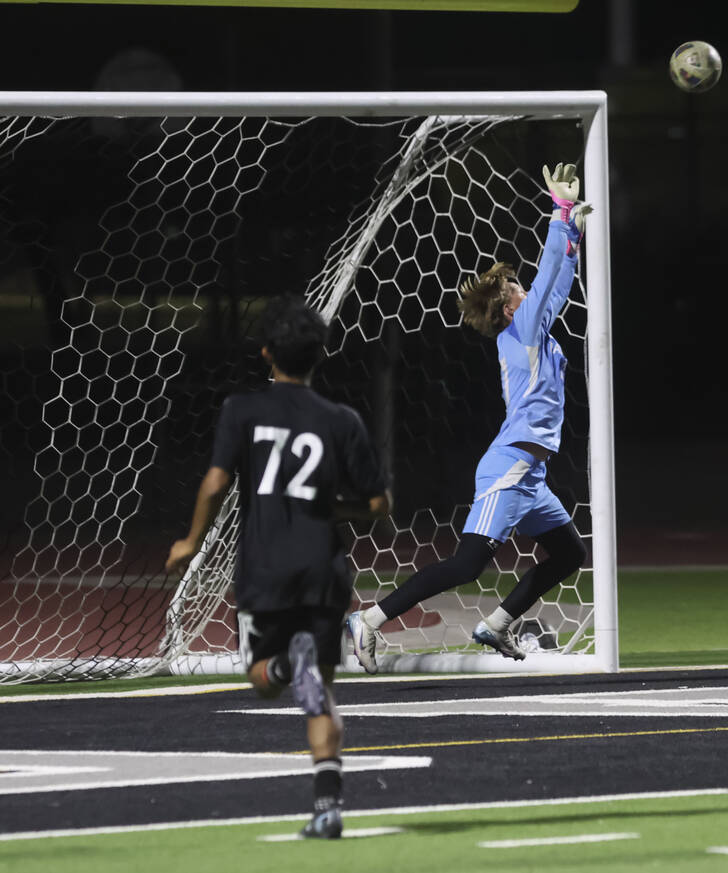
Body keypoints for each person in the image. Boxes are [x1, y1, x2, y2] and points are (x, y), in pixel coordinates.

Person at [345, 162, 591, 670]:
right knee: (466, 566)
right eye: (516, 290)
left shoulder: (529, 331)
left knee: (568, 554)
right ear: (506, 308)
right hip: (510, 468)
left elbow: (552, 289)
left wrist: (571, 238)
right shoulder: (520, 333)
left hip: (532, 474)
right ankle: (368, 620)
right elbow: (547, 286)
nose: (525, 291)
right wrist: (560, 216)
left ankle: (496, 625)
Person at [165, 296, 391, 840]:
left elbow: (217, 483)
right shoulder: (342, 420)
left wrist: (191, 541)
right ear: (320, 355)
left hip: (264, 571)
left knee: (263, 681)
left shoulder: (242, 410)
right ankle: (329, 806)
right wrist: (330, 507)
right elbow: (378, 505)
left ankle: (286, 667)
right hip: (323, 570)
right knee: (320, 691)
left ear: (266, 352)